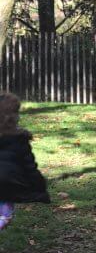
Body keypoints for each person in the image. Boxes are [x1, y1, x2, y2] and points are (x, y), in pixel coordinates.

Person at [0, 93, 50, 229]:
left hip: (6, 185)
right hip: (7, 185)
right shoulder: (19, 140)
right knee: (4, 215)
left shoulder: (19, 139)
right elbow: (30, 168)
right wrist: (40, 188)